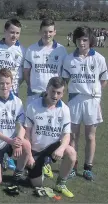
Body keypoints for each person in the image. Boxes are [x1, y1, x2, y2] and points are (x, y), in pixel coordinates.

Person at [23, 19, 68, 179]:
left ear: (55, 32)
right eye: (44, 31)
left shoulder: (61, 50)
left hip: (53, 98)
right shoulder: (32, 49)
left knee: (51, 131)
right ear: (40, 31)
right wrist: (31, 87)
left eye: (50, 31)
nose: (47, 34)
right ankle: (31, 159)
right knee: (33, 132)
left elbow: (63, 75)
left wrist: (56, 92)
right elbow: (26, 72)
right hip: (35, 95)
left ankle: (46, 163)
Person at [61, 26, 107, 181]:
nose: (82, 43)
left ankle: (88, 167)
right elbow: (64, 81)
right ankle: (73, 166)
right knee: (73, 135)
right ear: (76, 40)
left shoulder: (99, 58)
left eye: (85, 40)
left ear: (90, 40)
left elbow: (103, 80)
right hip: (75, 100)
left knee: (90, 136)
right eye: (79, 39)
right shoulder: (69, 58)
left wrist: (96, 96)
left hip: (92, 101)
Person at [23, 77, 76, 198]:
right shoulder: (33, 106)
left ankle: (61, 184)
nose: (55, 95)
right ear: (47, 89)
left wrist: (62, 148)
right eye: (53, 91)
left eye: (59, 93)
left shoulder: (65, 110)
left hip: (53, 149)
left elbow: (66, 135)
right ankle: (38, 167)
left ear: (63, 93)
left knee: (71, 152)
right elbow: (27, 134)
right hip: (36, 151)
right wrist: (30, 156)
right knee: (37, 185)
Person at [0, 68, 31, 184]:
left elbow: (21, 126)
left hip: (12, 141)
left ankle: (18, 173)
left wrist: (19, 141)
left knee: (26, 144)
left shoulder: (17, 101)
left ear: (12, 83)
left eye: (7, 83)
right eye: (1, 83)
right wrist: (11, 141)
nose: (4, 86)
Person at [0, 18, 26, 96]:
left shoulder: (23, 51)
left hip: (12, 91)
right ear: (5, 31)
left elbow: (23, 74)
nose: (14, 36)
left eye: (17, 33)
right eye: (12, 32)